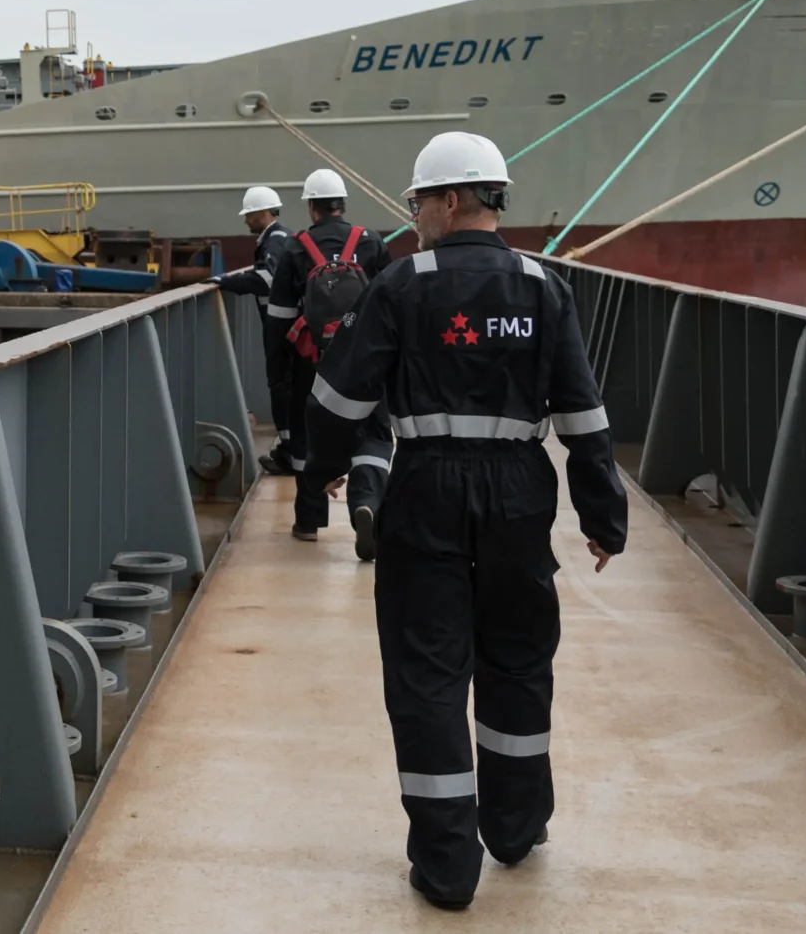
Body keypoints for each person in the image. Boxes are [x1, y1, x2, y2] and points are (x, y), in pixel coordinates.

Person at [304, 130, 629, 912]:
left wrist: (327, 466)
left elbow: (339, 402)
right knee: (518, 658)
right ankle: (514, 828)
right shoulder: (543, 286)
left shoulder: (402, 285)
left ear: (451, 199)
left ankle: (448, 866)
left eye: (418, 199)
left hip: (427, 491)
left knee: (428, 673)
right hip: (520, 490)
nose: (414, 214)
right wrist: (602, 513)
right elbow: (583, 413)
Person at [262, 167, 386, 542]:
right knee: (373, 431)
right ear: (342, 205)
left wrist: (276, 371)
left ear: (311, 206)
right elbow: (390, 303)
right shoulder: (370, 242)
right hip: (364, 357)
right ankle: (366, 502)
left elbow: (279, 316)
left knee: (306, 433)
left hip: (312, 359)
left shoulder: (296, 246)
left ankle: (309, 520)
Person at [211, 183, 296, 468]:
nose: (245, 220)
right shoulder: (281, 238)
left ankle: (290, 449)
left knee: (281, 384)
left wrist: (225, 282)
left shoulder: (274, 240)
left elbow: (264, 279)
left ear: (263, 213)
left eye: (249, 214)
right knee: (287, 383)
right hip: (286, 324)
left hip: (281, 325)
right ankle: (293, 445)